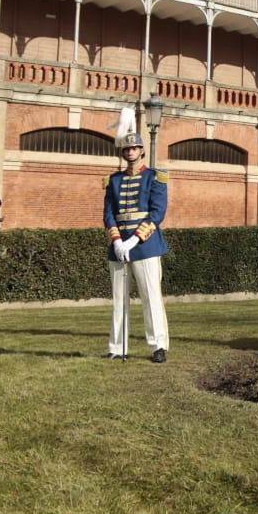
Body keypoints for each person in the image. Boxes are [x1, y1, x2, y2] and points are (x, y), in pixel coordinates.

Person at [104, 110, 170, 363]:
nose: (130, 152)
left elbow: (157, 213)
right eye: (126, 149)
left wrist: (134, 239)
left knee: (151, 296)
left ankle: (158, 346)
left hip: (146, 245)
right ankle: (117, 346)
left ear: (142, 150)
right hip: (119, 246)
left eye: (134, 149)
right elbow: (108, 213)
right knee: (119, 299)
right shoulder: (113, 180)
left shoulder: (155, 177)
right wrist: (117, 240)